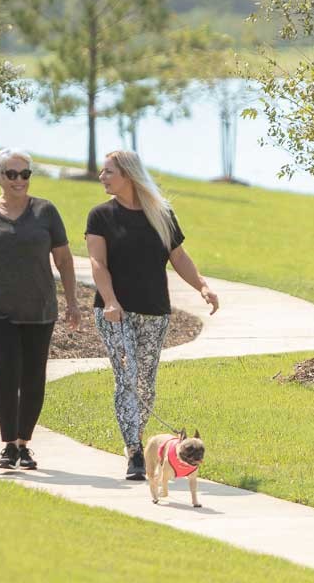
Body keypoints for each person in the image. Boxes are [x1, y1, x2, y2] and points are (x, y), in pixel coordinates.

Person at [85, 149, 220, 481]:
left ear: (128, 175)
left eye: (108, 172)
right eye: (102, 172)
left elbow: (179, 256)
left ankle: (138, 443)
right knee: (127, 378)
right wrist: (112, 302)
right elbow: (97, 264)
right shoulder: (100, 216)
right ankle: (134, 451)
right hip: (114, 312)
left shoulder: (162, 214)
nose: (102, 177)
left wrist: (202, 286)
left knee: (145, 384)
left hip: (155, 313)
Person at [0, 149, 81, 471]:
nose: (19, 180)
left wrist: (72, 303)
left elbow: (64, 260)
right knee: (6, 370)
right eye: (12, 174)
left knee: (34, 376)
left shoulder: (46, 212)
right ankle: (8, 444)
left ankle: (25, 444)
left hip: (39, 308)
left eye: (25, 174)